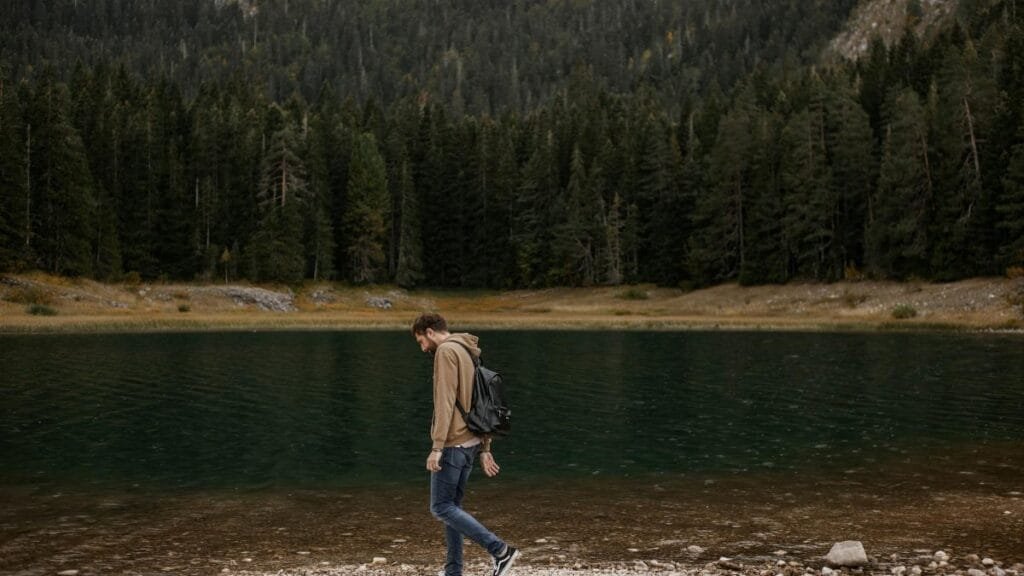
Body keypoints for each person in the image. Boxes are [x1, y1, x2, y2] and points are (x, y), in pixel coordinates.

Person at [412, 312, 520, 576]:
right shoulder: (468, 349)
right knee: (452, 508)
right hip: (471, 441)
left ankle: (501, 551)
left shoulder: (446, 352)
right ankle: (453, 571)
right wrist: (485, 447)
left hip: (453, 443)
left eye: (420, 341)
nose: (423, 348)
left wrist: (437, 447)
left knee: (440, 507)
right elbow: (482, 402)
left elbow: (445, 401)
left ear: (429, 332)